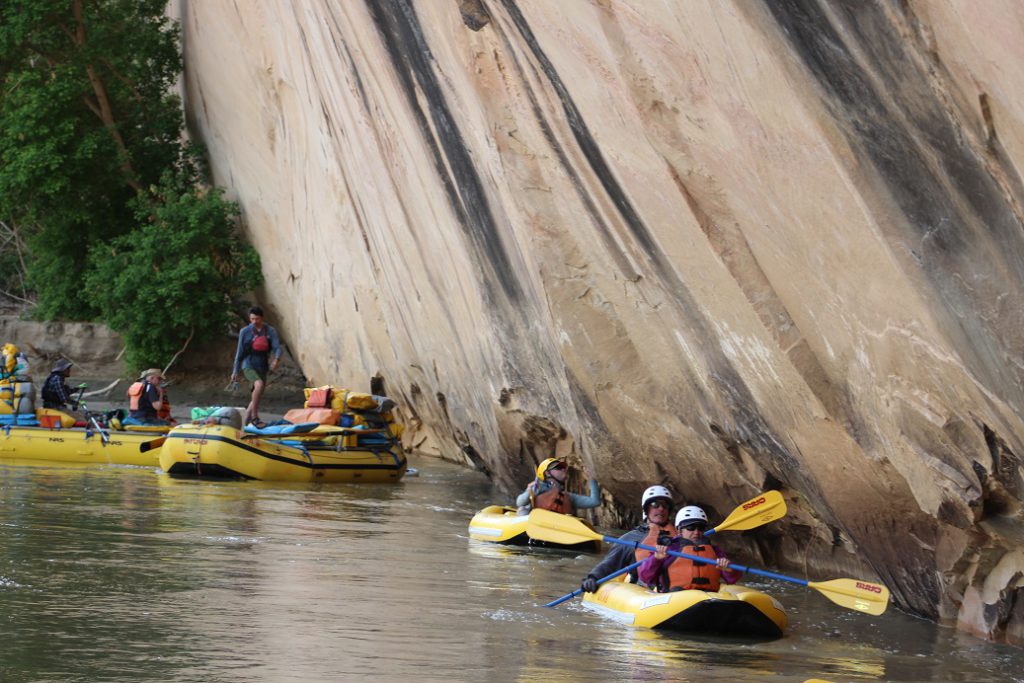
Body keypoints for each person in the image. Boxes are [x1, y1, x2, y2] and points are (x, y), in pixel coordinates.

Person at [580, 485, 678, 593]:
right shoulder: (630, 538)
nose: (661, 509)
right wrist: (593, 577)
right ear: (646, 509)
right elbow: (610, 563)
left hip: (674, 590)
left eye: (665, 506)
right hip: (642, 592)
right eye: (655, 505)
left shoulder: (680, 537)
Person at [637, 505, 743, 592]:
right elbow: (646, 577)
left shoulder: (715, 551)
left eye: (700, 528)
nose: (696, 532)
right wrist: (656, 559)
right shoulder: (668, 548)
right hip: (675, 598)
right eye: (691, 528)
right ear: (679, 530)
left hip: (707, 597)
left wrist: (728, 569)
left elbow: (733, 578)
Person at [230, 306, 282, 427]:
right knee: (258, 384)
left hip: (263, 365)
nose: (254, 322)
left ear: (262, 318)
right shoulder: (245, 331)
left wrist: (276, 359)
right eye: (252, 319)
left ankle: (244, 424)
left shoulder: (270, 331)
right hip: (248, 364)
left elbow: (277, 347)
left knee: (256, 395)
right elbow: (240, 352)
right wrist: (235, 371)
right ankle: (255, 417)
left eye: (257, 319)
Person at [515, 457, 600, 514]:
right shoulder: (537, 488)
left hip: (557, 531)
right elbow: (520, 502)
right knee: (523, 510)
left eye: (564, 467)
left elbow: (594, 502)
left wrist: (592, 478)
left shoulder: (568, 497)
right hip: (535, 526)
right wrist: (529, 492)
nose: (564, 469)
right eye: (559, 467)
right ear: (547, 473)